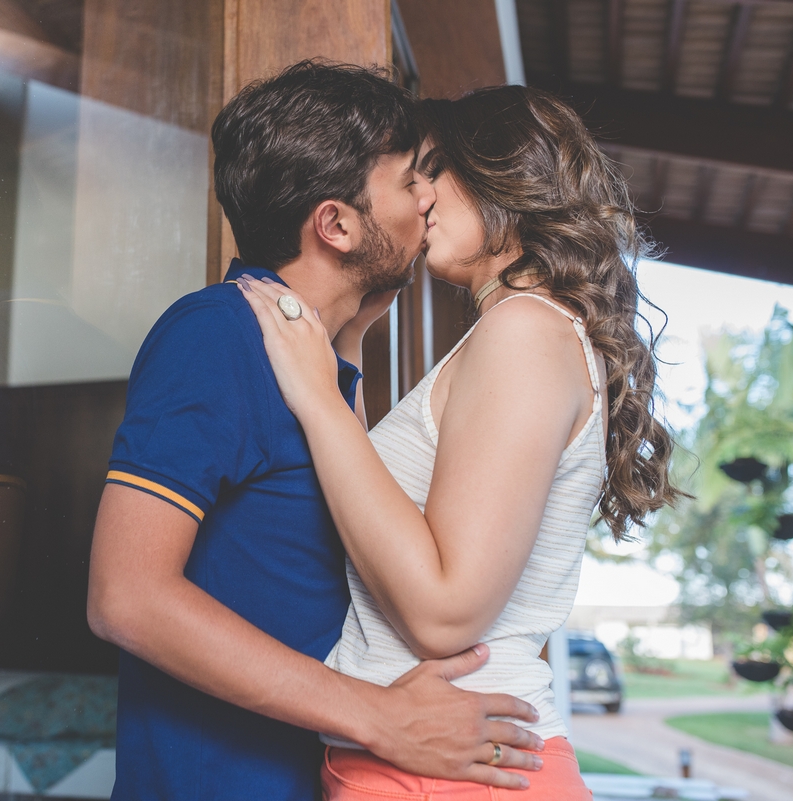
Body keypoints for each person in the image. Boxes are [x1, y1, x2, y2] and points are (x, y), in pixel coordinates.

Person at [87, 62, 543, 801]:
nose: (429, 197)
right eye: (408, 180)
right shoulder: (218, 332)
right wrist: (380, 716)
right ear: (336, 223)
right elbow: (125, 594)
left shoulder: (323, 364)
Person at [236, 84, 681, 799]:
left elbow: (445, 610)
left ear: (503, 173)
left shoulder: (526, 332)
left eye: (434, 166)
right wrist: (345, 343)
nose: (420, 193)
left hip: (458, 772)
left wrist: (318, 401)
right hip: (434, 763)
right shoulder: (519, 334)